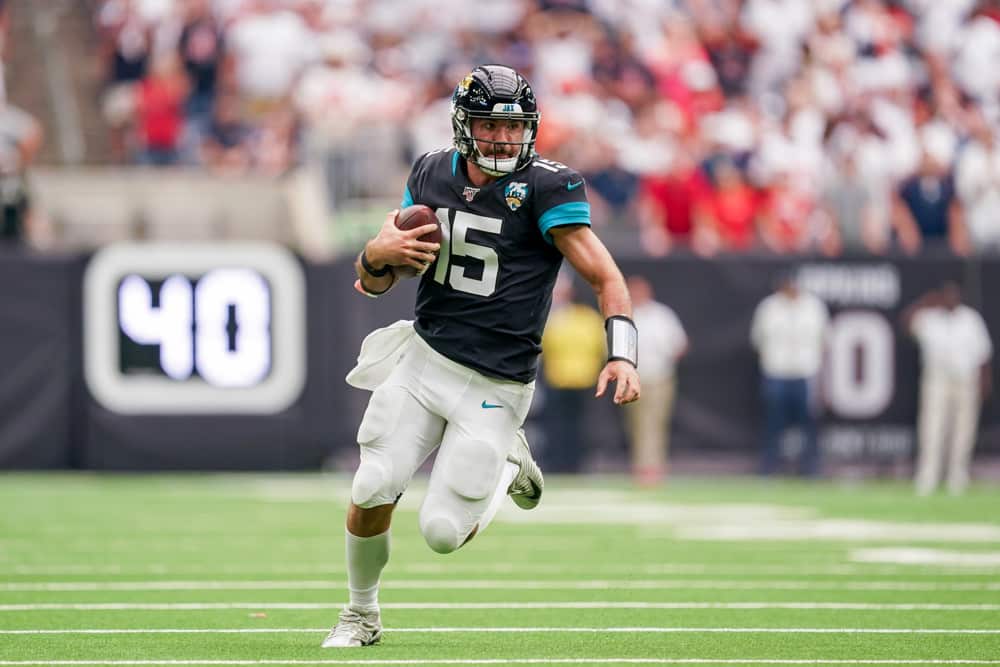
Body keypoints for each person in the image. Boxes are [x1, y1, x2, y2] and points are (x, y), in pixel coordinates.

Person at [323, 65, 641, 649]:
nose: (502, 138)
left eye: (513, 126)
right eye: (490, 125)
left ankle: (508, 460)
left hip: (496, 381)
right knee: (372, 485)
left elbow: (606, 277)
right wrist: (376, 251)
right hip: (425, 359)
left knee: (443, 533)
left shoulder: (548, 186)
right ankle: (360, 614)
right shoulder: (428, 172)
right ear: (464, 126)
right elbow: (373, 283)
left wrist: (623, 355)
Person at [901, 282, 993, 495]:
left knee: (963, 431)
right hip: (938, 380)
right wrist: (924, 303)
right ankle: (928, 476)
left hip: (965, 379)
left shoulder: (970, 319)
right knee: (932, 428)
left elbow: (983, 354)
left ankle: (957, 476)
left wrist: (984, 383)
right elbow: (905, 324)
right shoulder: (930, 318)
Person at [750, 272, 829, 476]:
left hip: (806, 371)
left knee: (808, 422)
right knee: (773, 421)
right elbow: (758, 340)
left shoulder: (814, 306)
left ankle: (810, 467)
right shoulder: (769, 307)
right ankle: (770, 466)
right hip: (776, 371)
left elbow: (824, 341)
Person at [622, 275, 688, 485]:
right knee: (636, 424)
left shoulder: (662, 315)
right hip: (632, 379)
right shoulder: (624, 316)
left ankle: (652, 468)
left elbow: (680, 345)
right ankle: (640, 465)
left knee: (655, 424)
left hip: (659, 378)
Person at [539, 276, 606, 474]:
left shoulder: (558, 319)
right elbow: (601, 348)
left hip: (562, 378)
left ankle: (563, 462)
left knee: (563, 424)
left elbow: (543, 346)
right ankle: (573, 463)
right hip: (580, 378)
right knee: (573, 424)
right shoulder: (589, 318)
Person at [0, 97, 44, 244]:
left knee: (22, 201)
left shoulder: (11, 118)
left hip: (10, 180)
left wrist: (19, 162)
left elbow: (34, 132)